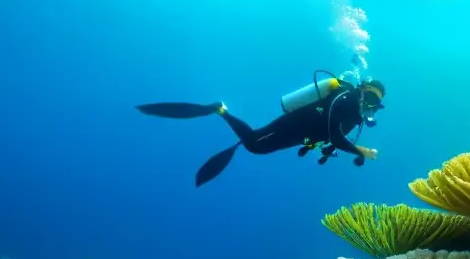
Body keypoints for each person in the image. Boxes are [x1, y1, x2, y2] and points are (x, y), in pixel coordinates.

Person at [136, 73, 385, 187]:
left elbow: (331, 140)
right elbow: (334, 133)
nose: (371, 106)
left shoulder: (356, 115)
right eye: (370, 98)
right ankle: (220, 110)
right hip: (294, 124)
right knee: (254, 144)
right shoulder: (345, 99)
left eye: (377, 103)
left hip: (302, 135)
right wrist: (358, 151)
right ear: (361, 90)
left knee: (257, 147)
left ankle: (221, 112)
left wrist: (323, 150)